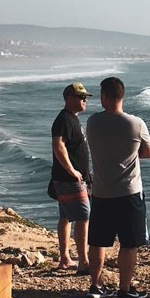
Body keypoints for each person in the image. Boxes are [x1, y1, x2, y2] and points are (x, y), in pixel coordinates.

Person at [84, 76, 150, 298]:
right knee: (129, 242)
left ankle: (96, 285)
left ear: (104, 97)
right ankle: (124, 289)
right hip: (129, 192)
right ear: (122, 96)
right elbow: (148, 152)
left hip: (102, 192)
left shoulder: (93, 121)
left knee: (98, 241)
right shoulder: (136, 123)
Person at [49, 82, 92, 280]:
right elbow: (58, 145)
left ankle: (65, 258)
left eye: (85, 97)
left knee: (66, 217)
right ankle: (83, 261)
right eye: (80, 96)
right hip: (69, 180)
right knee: (83, 217)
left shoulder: (71, 119)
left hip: (67, 178)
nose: (84, 100)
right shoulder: (65, 119)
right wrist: (73, 171)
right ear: (68, 98)